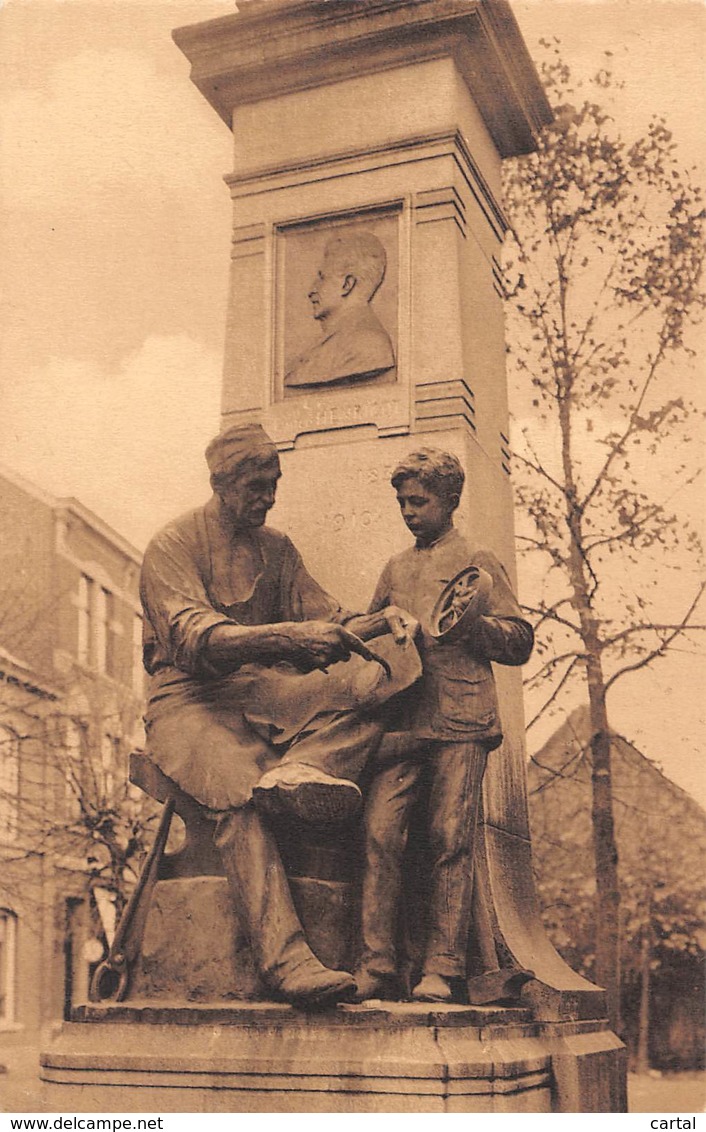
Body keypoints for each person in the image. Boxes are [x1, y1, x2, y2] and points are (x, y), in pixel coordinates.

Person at [139, 422, 420, 1006]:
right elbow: (196, 639)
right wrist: (287, 638)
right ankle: (287, 962)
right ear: (224, 484)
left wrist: (383, 622)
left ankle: (304, 770)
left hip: (259, 691)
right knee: (239, 791)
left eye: (275, 484)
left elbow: (331, 619)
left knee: (374, 686)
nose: (270, 497)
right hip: (187, 699)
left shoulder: (278, 548)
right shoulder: (173, 545)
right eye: (258, 486)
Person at [354, 448, 534, 1004]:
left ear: (450, 500)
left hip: (461, 717)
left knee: (447, 839)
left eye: (419, 501)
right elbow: (361, 632)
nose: (408, 511)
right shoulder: (395, 567)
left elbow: (519, 639)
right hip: (403, 719)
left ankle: (443, 968)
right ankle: (376, 965)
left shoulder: (476, 560)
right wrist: (385, 623)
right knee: (380, 833)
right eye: (402, 501)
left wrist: (471, 628)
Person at [285, 229, 395, 388]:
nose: (311, 290)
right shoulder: (336, 340)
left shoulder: (368, 345)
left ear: (347, 285)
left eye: (322, 278)